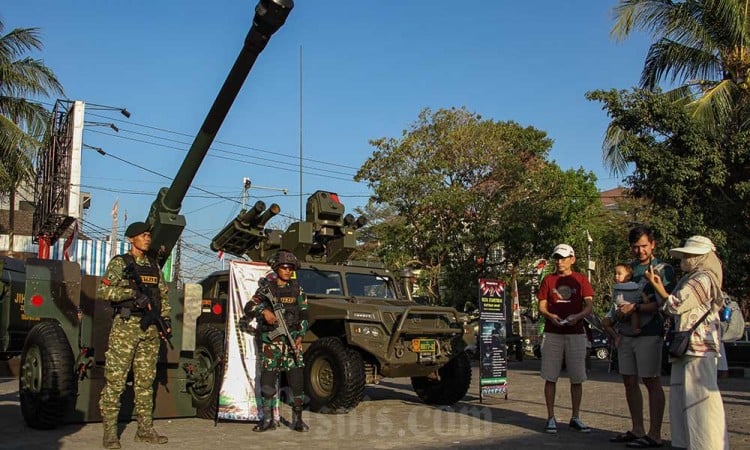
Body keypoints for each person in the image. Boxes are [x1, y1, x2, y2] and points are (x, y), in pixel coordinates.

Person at [645, 235, 728, 449]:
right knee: (682, 401)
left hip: (699, 347)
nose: (686, 259)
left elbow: (675, 305)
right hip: (687, 345)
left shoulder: (703, 278)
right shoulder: (692, 277)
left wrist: (658, 287)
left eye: (691, 255)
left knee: (700, 402)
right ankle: (686, 443)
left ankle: (706, 445)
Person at [97, 222, 171, 449]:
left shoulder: (153, 266)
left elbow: (163, 295)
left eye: (149, 235)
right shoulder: (121, 263)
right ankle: (110, 433)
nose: (148, 239)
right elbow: (104, 290)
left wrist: (165, 320)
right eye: (143, 235)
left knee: (145, 383)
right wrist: (130, 294)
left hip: (150, 330)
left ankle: (145, 430)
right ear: (131, 239)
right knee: (116, 381)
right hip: (126, 329)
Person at [603, 226, 673, 448]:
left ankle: (654, 433)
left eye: (644, 246)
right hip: (625, 333)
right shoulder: (628, 269)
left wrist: (636, 307)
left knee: (651, 380)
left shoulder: (663, 268)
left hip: (649, 332)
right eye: (635, 247)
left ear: (653, 244)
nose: (640, 250)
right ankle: (637, 428)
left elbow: (666, 302)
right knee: (629, 380)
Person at [246, 249, 309, 432]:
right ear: (276, 269)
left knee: (297, 381)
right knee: (268, 380)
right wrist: (263, 312)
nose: (288, 271)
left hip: (291, 343)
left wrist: (300, 336)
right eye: (284, 267)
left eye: (291, 268)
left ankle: (297, 419)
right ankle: (267, 419)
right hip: (271, 343)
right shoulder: (267, 290)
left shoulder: (298, 289)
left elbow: (305, 314)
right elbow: (249, 307)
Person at [537, 243, 594, 434]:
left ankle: (575, 416)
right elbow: (542, 306)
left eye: (563, 257)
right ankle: (550, 417)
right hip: (553, 332)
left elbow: (588, 305)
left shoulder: (581, 279)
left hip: (575, 333)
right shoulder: (548, 280)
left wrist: (577, 317)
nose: (560, 261)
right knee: (550, 376)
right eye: (557, 258)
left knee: (577, 377)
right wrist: (551, 316)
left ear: (572, 259)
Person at [612, 263, 649, 335]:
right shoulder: (616, 287)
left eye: (619, 274)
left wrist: (644, 297)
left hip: (630, 308)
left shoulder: (633, 285)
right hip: (618, 310)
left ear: (628, 276)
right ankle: (615, 335)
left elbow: (640, 291)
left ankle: (635, 328)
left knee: (634, 314)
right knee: (607, 321)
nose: (616, 276)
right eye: (615, 273)